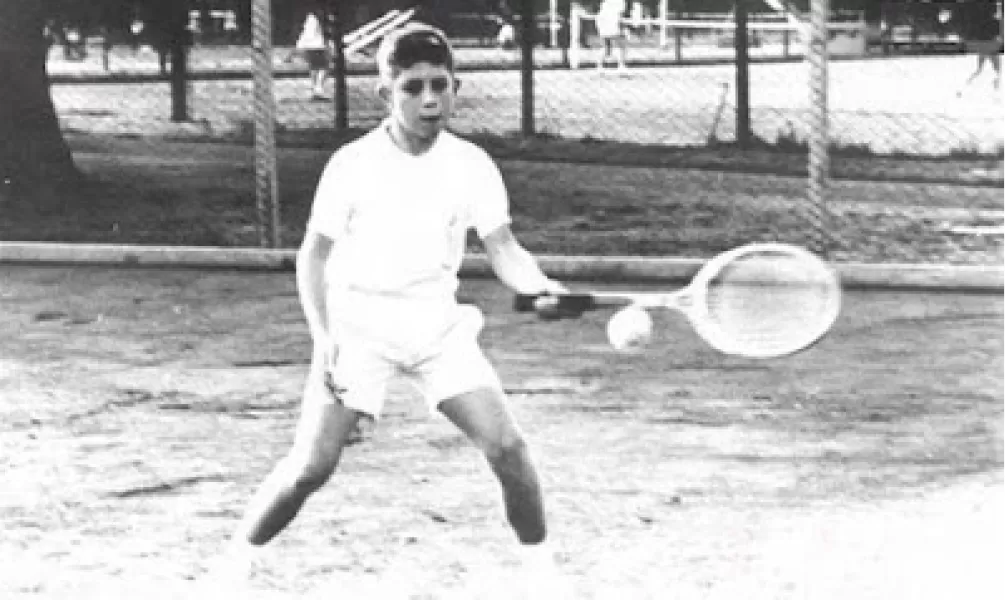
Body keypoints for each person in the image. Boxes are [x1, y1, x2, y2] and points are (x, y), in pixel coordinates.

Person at [206, 22, 571, 597]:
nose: (429, 100)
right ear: (386, 93)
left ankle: (542, 575)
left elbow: (503, 247)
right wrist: (325, 340)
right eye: (413, 87)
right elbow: (312, 257)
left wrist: (538, 285)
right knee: (310, 468)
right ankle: (233, 564)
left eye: (440, 85)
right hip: (357, 328)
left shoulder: (472, 164)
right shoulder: (352, 164)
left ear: (455, 88)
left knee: (508, 447)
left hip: (437, 327)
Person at [959, 9, 1002, 94]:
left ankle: (968, 82)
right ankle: (996, 88)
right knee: (997, 70)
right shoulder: (995, 23)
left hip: (984, 47)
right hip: (991, 47)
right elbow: (998, 36)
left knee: (980, 69)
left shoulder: (984, 22)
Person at [296, 10, 330, 100]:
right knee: (323, 67)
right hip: (317, 45)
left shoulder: (309, 18)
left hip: (306, 45)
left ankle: (315, 88)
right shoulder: (317, 18)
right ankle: (318, 89)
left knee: (314, 67)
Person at [595, 0, 627, 71]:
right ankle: (621, 65)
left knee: (606, 46)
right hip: (611, 21)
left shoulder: (605, 3)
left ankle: (599, 66)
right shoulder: (620, 2)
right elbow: (620, 15)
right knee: (618, 45)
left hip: (604, 22)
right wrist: (622, 27)